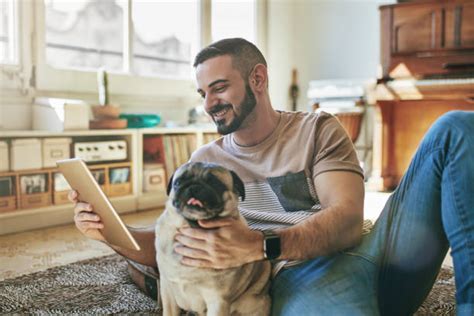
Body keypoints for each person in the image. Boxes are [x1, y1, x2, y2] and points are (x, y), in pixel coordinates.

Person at [70, 38, 474, 315]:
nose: (209, 104)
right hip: (290, 281)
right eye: (202, 94)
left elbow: (348, 220)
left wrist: (261, 245)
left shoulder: (317, 128)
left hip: (367, 257)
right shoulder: (203, 163)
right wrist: (108, 230)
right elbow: (169, 243)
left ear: (258, 79)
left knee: (456, 128)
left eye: (220, 88)